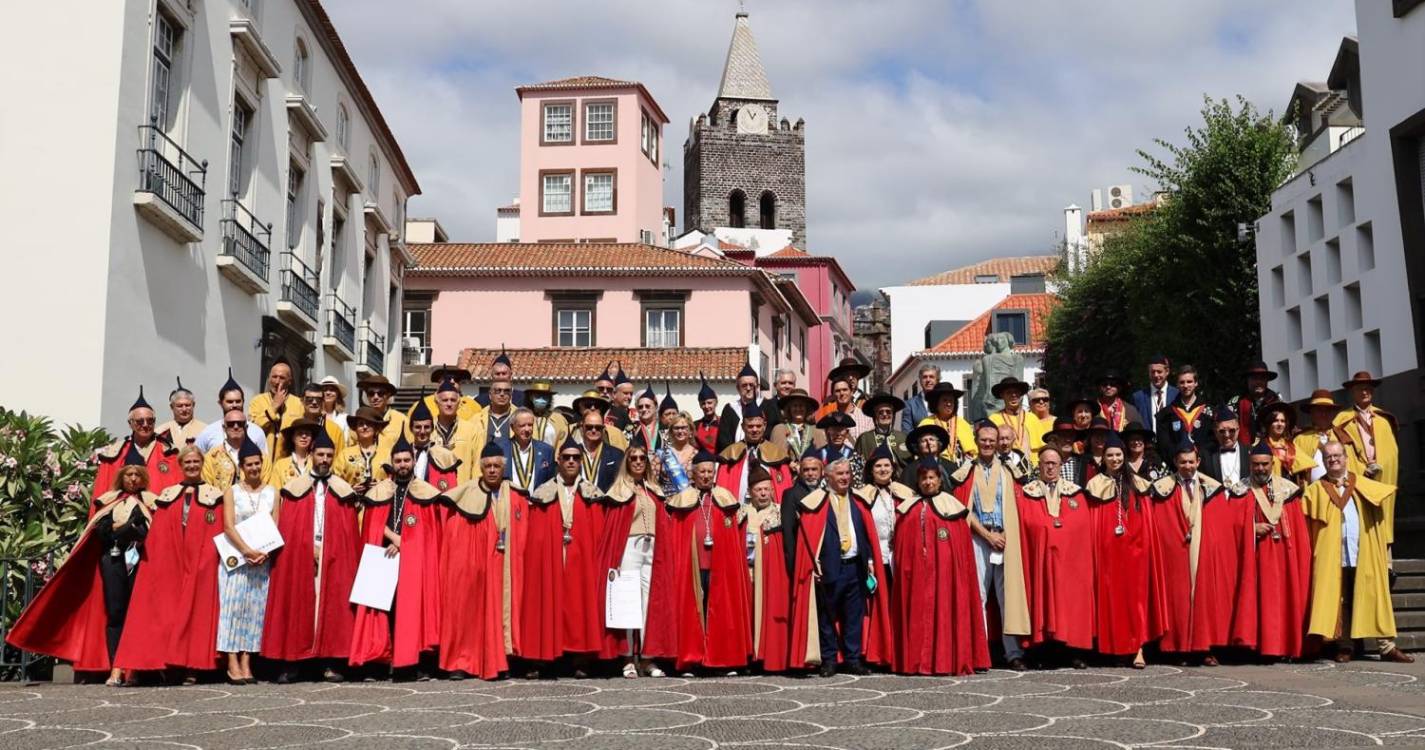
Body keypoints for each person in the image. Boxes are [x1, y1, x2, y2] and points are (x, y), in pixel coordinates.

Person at [7, 460, 155, 685]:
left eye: (137, 475)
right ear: (121, 477)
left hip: (140, 561)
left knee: (136, 614)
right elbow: (103, 533)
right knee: (115, 612)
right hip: (113, 560)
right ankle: (116, 667)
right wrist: (127, 529)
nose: (133, 479)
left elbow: (147, 532)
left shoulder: (151, 502)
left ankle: (135, 669)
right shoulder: (109, 501)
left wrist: (121, 530)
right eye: (128, 475)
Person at [1147, 439, 1257, 665]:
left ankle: (1204, 647)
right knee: (1176, 600)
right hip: (1176, 553)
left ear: (1198, 461)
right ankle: (1178, 648)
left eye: (1191, 462)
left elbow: (1222, 526)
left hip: (1205, 553)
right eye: (1182, 462)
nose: (1187, 466)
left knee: (1207, 600)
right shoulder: (1162, 489)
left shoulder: (1213, 488)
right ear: (1175, 463)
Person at [262, 432, 361, 683]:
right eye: (320, 454)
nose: (325, 459)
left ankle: (330, 662)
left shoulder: (342, 490)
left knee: (333, 605)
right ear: (312, 456)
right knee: (297, 603)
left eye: (329, 455)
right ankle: (293, 662)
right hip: (302, 556)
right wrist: (307, 548)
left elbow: (347, 532)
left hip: (334, 558)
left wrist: (328, 549)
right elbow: (290, 528)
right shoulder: (295, 489)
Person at [1302, 441, 1413, 663]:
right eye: (1328, 457)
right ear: (1323, 462)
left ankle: (1386, 646)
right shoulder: (1315, 491)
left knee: (1374, 594)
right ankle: (1345, 646)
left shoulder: (1362, 485)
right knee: (1340, 599)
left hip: (1363, 552)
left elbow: (1379, 517)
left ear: (1346, 457)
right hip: (1332, 555)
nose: (1333, 459)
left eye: (1337, 455)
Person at [643, 450, 752, 675]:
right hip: (691, 565)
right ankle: (692, 660)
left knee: (719, 611)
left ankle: (721, 660)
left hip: (719, 566)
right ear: (692, 474)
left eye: (710, 472)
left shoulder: (725, 499)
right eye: (701, 471)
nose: (706, 476)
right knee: (692, 611)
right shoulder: (683, 501)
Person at [349, 436, 444, 678]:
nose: (402, 464)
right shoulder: (380, 491)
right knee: (382, 610)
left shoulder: (426, 492)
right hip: (384, 556)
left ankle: (412, 663)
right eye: (398, 461)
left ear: (413, 461)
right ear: (391, 463)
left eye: (406, 460)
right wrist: (394, 538)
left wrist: (405, 545)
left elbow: (429, 533)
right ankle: (381, 661)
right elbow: (373, 523)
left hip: (415, 561)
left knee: (411, 611)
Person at [788, 457, 889, 676]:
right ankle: (829, 659)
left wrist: (870, 560)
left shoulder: (858, 501)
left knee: (854, 615)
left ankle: (853, 658)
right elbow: (811, 537)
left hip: (855, 565)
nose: (845, 478)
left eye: (847, 474)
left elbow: (867, 532)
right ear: (827, 476)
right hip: (830, 566)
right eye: (840, 474)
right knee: (827, 616)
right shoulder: (817, 502)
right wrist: (813, 564)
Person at [891, 458, 990, 675]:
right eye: (923, 478)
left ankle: (947, 659)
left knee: (947, 612)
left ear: (939, 480)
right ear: (918, 481)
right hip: (917, 575)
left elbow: (960, 550)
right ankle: (916, 661)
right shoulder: (908, 509)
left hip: (945, 576)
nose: (928, 482)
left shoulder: (953, 508)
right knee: (917, 615)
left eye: (931, 478)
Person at [522, 437, 608, 676]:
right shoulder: (544, 493)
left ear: (581, 462)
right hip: (552, 559)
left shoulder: (591, 493)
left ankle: (580, 659)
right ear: (558, 461)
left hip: (581, 561)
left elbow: (598, 533)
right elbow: (536, 536)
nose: (571, 462)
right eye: (566, 458)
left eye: (576, 458)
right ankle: (541, 659)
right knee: (547, 603)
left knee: (579, 606)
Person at [440, 442, 523, 680]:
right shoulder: (469, 493)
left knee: (500, 612)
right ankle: (462, 662)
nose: (493, 470)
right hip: (476, 565)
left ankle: (499, 660)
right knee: (467, 611)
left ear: (503, 467)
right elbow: (457, 535)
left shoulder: (514, 494)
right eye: (488, 466)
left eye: (497, 466)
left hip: (503, 564)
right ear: (481, 467)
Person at [952, 422, 1029, 670]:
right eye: (983, 440)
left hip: (1006, 537)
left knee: (1009, 596)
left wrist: (1006, 533)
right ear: (976, 441)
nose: (987, 444)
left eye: (991, 440)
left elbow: (1018, 505)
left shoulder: (1009, 470)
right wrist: (986, 535)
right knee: (980, 595)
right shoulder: (967, 470)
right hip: (978, 537)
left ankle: (1013, 653)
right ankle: (980, 651)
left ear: (997, 442)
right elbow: (964, 508)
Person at [1016, 444, 1094, 669]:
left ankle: (1074, 651)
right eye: (1045, 463)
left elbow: (1080, 525)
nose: (1050, 468)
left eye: (1054, 463)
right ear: (1038, 465)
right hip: (1040, 559)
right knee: (1041, 600)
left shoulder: (1075, 492)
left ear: (1061, 466)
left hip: (1070, 563)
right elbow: (1027, 523)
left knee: (1072, 603)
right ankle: (1041, 652)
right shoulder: (1027, 493)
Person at [1084, 438, 1158, 668]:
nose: (1115, 459)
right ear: (1103, 458)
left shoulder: (1138, 483)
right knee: (1112, 600)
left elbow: (1145, 521)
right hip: (1107, 554)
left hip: (1135, 552)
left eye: (1118, 455)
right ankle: (1114, 647)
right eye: (1110, 456)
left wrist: (1141, 547)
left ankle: (1138, 648)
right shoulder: (1095, 485)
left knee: (1136, 600)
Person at [596, 446, 663, 678]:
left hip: (651, 549)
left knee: (647, 602)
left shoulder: (653, 489)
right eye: (633, 458)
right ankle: (627, 658)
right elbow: (615, 526)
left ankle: (646, 657)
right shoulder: (619, 491)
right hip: (629, 548)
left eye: (641, 458)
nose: (637, 462)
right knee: (628, 601)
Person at [162, 445, 227, 683]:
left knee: (198, 613)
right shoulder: (168, 494)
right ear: (180, 465)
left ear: (202, 464)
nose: (191, 466)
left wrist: (207, 559)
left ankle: (194, 665)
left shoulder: (213, 494)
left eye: (195, 462)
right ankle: (172, 663)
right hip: (175, 563)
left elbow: (218, 529)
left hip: (202, 562)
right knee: (172, 613)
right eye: (187, 462)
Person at [217, 438, 276, 684]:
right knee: (231, 609)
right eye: (249, 464)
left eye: (257, 464)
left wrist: (264, 552)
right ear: (241, 466)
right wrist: (247, 551)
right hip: (237, 558)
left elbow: (276, 526)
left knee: (254, 611)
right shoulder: (232, 491)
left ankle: (247, 660)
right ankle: (231, 659)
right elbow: (228, 526)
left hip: (262, 561)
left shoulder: (273, 492)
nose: (253, 468)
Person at [1245, 442, 1309, 662]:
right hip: (1254, 556)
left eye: (1264, 464)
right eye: (1256, 465)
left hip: (1283, 555)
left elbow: (1298, 528)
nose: (1260, 469)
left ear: (1272, 464)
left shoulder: (1288, 490)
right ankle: (1257, 648)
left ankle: (1284, 646)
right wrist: (1251, 528)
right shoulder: (1240, 490)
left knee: (1283, 601)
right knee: (1257, 601)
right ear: (1249, 465)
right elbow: (1230, 526)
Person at [1332, 371, 1399, 529]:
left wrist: (1381, 465)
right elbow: (1338, 451)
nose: (1364, 392)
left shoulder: (1383, 419)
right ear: (1352, 392)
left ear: (1372, 391)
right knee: (1361, 519)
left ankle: (1384, 550)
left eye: (1367, 388)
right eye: (1360, 389)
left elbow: (1392, 452)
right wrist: (1361, 469)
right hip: (1358, 475)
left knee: (1383, 519)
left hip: (1381, 475)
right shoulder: (1342, 419)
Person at [92, 387, 179, 504]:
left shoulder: (169, 453)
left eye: (150, 421)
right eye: (140, 421)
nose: (145, 425)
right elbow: (101, 493)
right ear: (130, 424)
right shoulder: (115, 454)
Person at [743, 465, 792, 674]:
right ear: (750, 492)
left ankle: (770, 656)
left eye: (766, 489)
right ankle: (748, 656)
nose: (763, 494)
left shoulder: (780, 513)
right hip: (747, 571)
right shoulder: (741, 513)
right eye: (758, 490)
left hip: (771, 574)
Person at [717, 401, 794, 505]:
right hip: (739, 509)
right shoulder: (730, 454)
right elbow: (721, 490)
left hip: (769, 512)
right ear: (743, 426)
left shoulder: (776, 454)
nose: (754, 430)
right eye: (750, 426)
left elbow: (785, 489)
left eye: (758, 426)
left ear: (764, 426)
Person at [856, 445, 913, 580]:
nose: (883, 469)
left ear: (893, 468)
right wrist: (869, 559)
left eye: (887, 465)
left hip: (900, 556)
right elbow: (861, 531)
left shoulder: (904, 493)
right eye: (878, 466)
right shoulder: (862, 496)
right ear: (871, 470)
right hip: (876, 558)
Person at [195, 369, 267, 454]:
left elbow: (264, 463)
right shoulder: (208, 432)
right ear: (220, 403)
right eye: (230, 402)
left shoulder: (256, 432)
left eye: (238, 401)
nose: (234, 405)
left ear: (243, 401)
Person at [780, 449, 825, 573]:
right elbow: (788, 533)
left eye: (814, 469)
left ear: (822, 471)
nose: (810, 473)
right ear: (800, 472)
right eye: (806, 470)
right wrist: (793, 566)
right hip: (803, 559)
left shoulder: (829, 493)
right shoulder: (791, 495)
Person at [718, 363, 781, 451]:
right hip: (735, 457)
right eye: (744, 385)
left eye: (751, 385)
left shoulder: (769, 406)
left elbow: (775, 433)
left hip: (764, 455)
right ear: (738, 388)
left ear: (758, 387)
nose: (748, 388)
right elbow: (724, 439)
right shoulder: (730, 409)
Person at [1156, 365, 1213, 459]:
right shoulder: (1166, 415)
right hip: (1177, 466)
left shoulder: (1209, 412)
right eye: (1182, 382)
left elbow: (1213, 441)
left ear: (1196, 383)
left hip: (1204, 466)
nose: (1186, 386)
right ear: (1177, 385)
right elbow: (1164, 446)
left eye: (1189, 382)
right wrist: (1181, 458)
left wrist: (1198, 456)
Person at [250, 359, 303, 461]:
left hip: (287, 463)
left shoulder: (299, 404)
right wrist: (274, 407)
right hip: (261, 461)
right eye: (274, 377)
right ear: (269, 378)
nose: (277, 381)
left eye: (282, 378)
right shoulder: (257, 401)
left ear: (289, 381)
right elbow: (253, 429)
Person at [407, 398, 461, 492]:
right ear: (411, 429)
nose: (422, 431)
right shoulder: (403, 453)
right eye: (418, 427)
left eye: (427, 427)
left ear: (432, 429)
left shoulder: (445, 455)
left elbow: (451, 488)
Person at [335, 407, 392, 494]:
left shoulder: (387, 453)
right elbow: (335, 480)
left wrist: (383, 485)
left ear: (376, 428)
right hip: (352, 504)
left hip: (381, 504)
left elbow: (397, 479)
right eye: (361, 424)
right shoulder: (345, 454)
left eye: (369, 424)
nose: (365, 427)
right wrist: (349, 489)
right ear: (356, 429)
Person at [500, 408, 555, 495]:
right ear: (512, 427)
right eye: (522, 425)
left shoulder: (546, 450)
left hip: (537, 505)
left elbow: (551, 482)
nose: (527, 429)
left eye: (530, 425)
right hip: (510, 504)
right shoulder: (501, 450)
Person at [918, 382, 976, 462]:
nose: (949, 404)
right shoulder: (926, 424)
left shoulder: (963, 424)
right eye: (945, 400)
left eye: (951, 400)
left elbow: (973, 452)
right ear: (936, 402)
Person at [430, 378, 480, 471]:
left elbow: (477, 465)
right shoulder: (427, 429)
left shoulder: (471, 430)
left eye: (453, 400)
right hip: (432, 484)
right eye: (445, 400)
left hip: (463, 484)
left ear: (458, 403)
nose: (449, 404)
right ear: (437, 403)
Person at [989, 376, 1048, 454]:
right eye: (1009, 392)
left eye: (1016, 392)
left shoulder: (1032, 418)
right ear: (1002, 395)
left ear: (1020, 394)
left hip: (1031, 463)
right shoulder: (994, 419)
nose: (1013, 395)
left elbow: (1043, 447)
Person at [1229, 362, 1282, 445]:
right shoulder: (1236, 402)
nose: (1258, 382)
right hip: (1244, 449)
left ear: (1267, 381)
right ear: (1247, 380)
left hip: (1272, 447)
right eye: (1254, 378)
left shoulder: (1276, 401)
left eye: (1262, 378)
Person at [1258, 402, 1314, 481]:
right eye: (1276, 420)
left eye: (1282, 421)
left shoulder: (1292, 446)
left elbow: (1306, 468)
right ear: (1269, 423)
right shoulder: (1261, 447)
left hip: (1293, 490)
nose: (1280, 424)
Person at [203, 408, 257, 489]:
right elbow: (206, 488)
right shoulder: (211, 457)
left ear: (246, 427)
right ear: (224, 428)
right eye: (231, 424)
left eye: (240, 423)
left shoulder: (260, 457)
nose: (236, 427)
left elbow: (266, 487)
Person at [574, 410, 624, 492]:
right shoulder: (571, 453)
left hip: (606, 503)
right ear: (582, 427)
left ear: (603, 429)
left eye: (598, 427)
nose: (593, 430)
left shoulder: (617, 455)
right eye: (589, 427)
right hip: (578, 503)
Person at [855, 393, 911, 467]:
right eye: (880, 412)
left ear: (893, 415)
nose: (885, 414)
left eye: (888, 412)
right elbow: (857, 465)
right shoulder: (864, 439)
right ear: (875, 415)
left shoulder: (903, 438)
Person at [1295, 389, 1338, 484]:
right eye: (1319, 410)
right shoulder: (1299, 439)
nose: (1323, 414)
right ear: (1311, 413)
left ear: (1333, 413)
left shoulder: (1342, 436)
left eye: (1327, 410)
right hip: (1311, 494)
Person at [1200, 408, 1249, 490]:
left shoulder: (1250, 452)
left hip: (1245, 501)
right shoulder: (1205, 454)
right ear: (1215, 432)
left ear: (1238, 430)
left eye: (1232, 431)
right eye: (1222, 431)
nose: (1227, 435)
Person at [768, 388, 823, 462]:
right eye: (794, 406)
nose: (798, 409)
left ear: (807, 409)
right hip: (787, 471)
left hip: (810, 471)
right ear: (789, 409)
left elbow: (822, 458)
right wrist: (789, 463)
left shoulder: (816, 431)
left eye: (801, 406)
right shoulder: (780, 429)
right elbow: (776, 457)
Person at [353, 374, 407, 449]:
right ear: (367, 396)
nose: (375, 397)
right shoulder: (359, 421)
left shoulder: (402, 420)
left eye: (380, 393)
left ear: (388, 395)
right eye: (371, 393)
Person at [416, 363, 481, 422]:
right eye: (448, 378)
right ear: (439, 382)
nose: (452, 382)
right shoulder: (424, 405)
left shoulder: (473, 406)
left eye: (457, 379)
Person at [1131, 355, 1178, 436]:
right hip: (1148, 445)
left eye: (1159, 372)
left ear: (1167, 372)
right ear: (1149, 373)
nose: (1156, 375)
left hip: (1172, 444)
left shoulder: (1177, 394)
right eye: (1153, 372)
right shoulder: (1138, 397)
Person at [267, 418, 320, 488]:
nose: (304, 436)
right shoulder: (280, 465)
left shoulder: (317, 463)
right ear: (292, 437)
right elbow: (274, 491)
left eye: (307, 434)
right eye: (300, 433)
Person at [157, 377, 206, 446]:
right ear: (172, 407)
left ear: (193, 405)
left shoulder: (205, 430)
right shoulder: (161, 432)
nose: (184, 409)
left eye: (187, 405)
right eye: (179, 406)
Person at [298, 381, 345, 449]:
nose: (314, 402)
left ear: (323, 402)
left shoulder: (335, 430)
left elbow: (340, 457)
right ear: (302, 400)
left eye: (318, 399)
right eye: (309, 399)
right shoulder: (291, 425)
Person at [525, 380, 569, 448]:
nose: (541, 399)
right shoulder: (522, 417)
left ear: (549, 399)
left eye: (545, 397)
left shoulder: (559, 420)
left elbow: (563, 444)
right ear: (531, 397)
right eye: (537, 396)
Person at [900, 365, 940, 433]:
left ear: (937, 380)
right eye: (924, 377)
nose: (928, 380)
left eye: (931, 377)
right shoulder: (910, 405)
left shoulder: (944, 402)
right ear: (920, 380)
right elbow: (906, 432)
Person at [694, 372, 721, 454]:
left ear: (716, 402)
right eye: (703, 403)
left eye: (709, 403)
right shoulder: (695, 425)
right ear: (700, 405)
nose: (706, 406)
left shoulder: (724, 423)